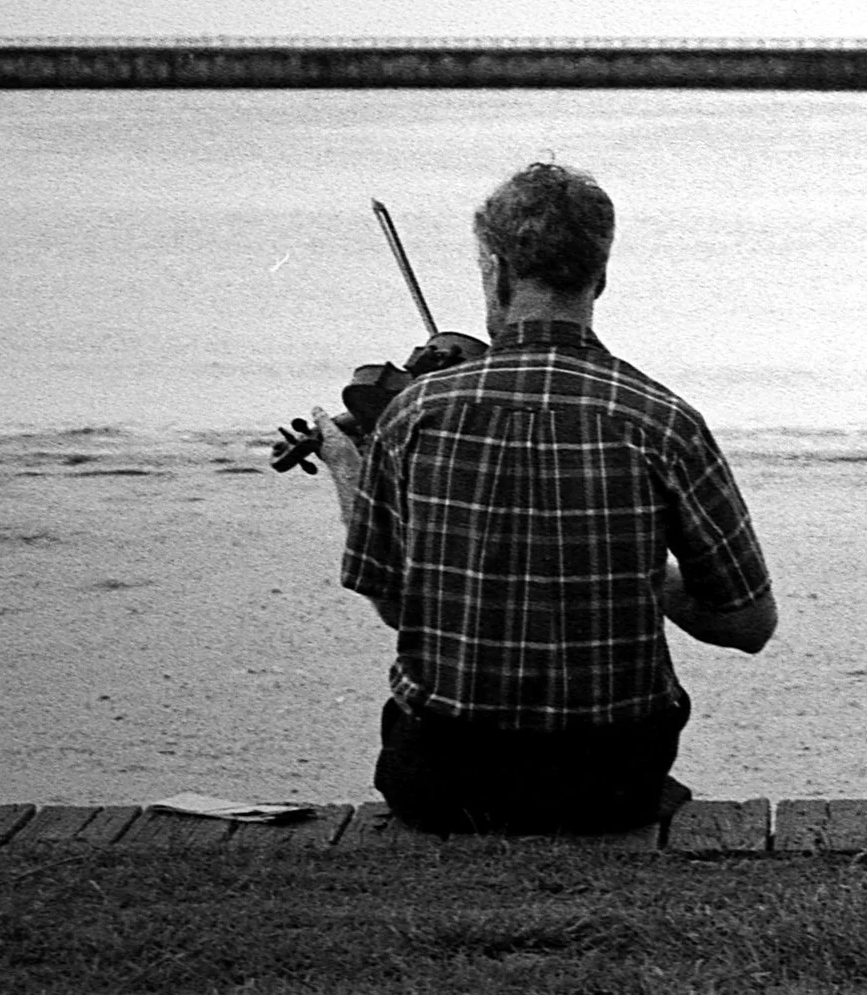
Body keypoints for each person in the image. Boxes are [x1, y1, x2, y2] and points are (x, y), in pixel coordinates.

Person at [306, 162, 776, 835]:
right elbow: (747, 625)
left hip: (440, 782)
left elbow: (394, 606)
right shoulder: (661, 420)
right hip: (610, 786)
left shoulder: (413, 415)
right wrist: (645, 577)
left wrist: (346, 468)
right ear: (601, 277)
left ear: (495, 270)